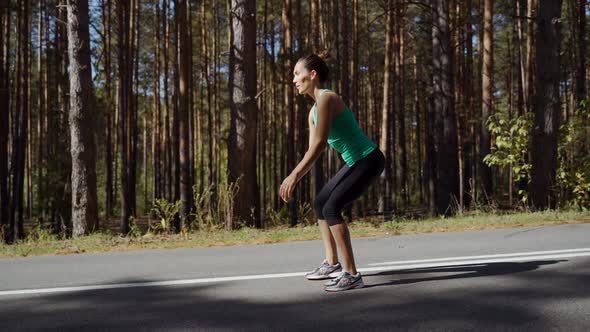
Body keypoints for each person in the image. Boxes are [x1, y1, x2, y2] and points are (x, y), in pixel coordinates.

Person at [279, 51, 385, 292]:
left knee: (331, 207)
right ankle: (332, 263)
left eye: (297, 74)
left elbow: (319, 144)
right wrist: (296, 174)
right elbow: (311, 149)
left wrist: (294, 175)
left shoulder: (327, 98)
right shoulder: (313, 111)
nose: (294, 79)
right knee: (320, 203)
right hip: (356, 161)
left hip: (368, 159)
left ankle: (352, 274)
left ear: (312, 74)